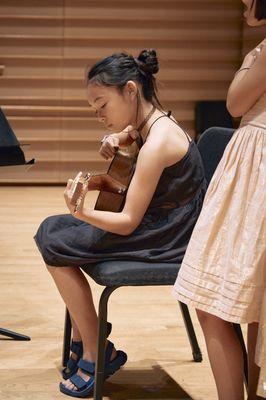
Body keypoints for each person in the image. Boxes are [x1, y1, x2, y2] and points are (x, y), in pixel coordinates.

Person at [34, 49, 206, 397]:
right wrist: (122, 136)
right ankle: (88, 334)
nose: (99, 115)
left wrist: (80, 211)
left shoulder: (159, 140)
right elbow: (136, 133)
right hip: (163, 224)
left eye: (102, 105)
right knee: (52, 230)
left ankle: (97, 349)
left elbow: (127, 222)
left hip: (167, 238)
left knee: (53, 239)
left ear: (130, 90)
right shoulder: (152, 122)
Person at [173, 1, 266, 399]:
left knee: (215, 298)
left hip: (257, 172)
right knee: (251, 304)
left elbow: (235, 103)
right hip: (252, 171)